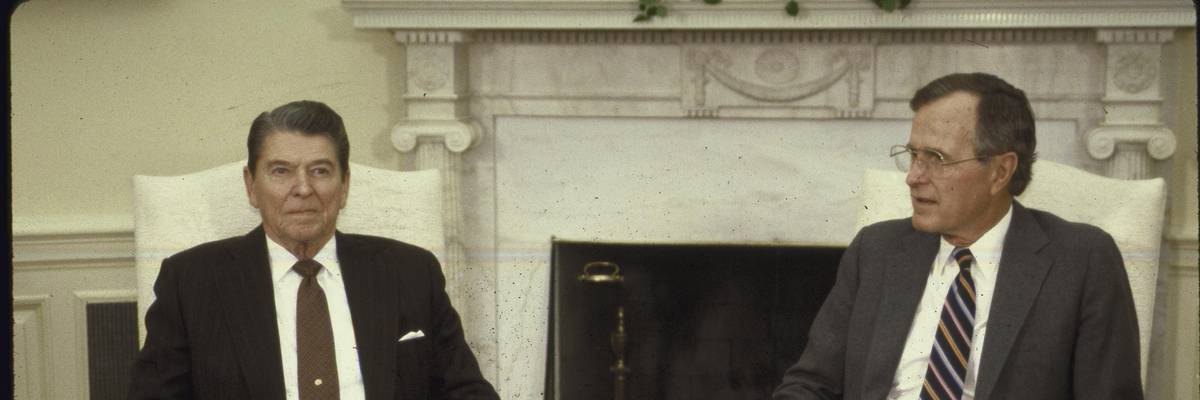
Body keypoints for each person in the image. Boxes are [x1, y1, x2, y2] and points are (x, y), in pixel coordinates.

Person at [773, 73, 1142, 400]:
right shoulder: (876, 250)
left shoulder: (1080, 259)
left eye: (936, 157)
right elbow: (810, 383)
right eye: (913, 154)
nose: (913, 176)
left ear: (1000, 172)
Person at [129, 100, 499, 400]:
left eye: (320, 171)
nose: (303, 188)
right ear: (251, 186)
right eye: (281, 171)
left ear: (345, 185)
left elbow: (465, 391)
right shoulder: (192, 282)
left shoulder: (410, 271)